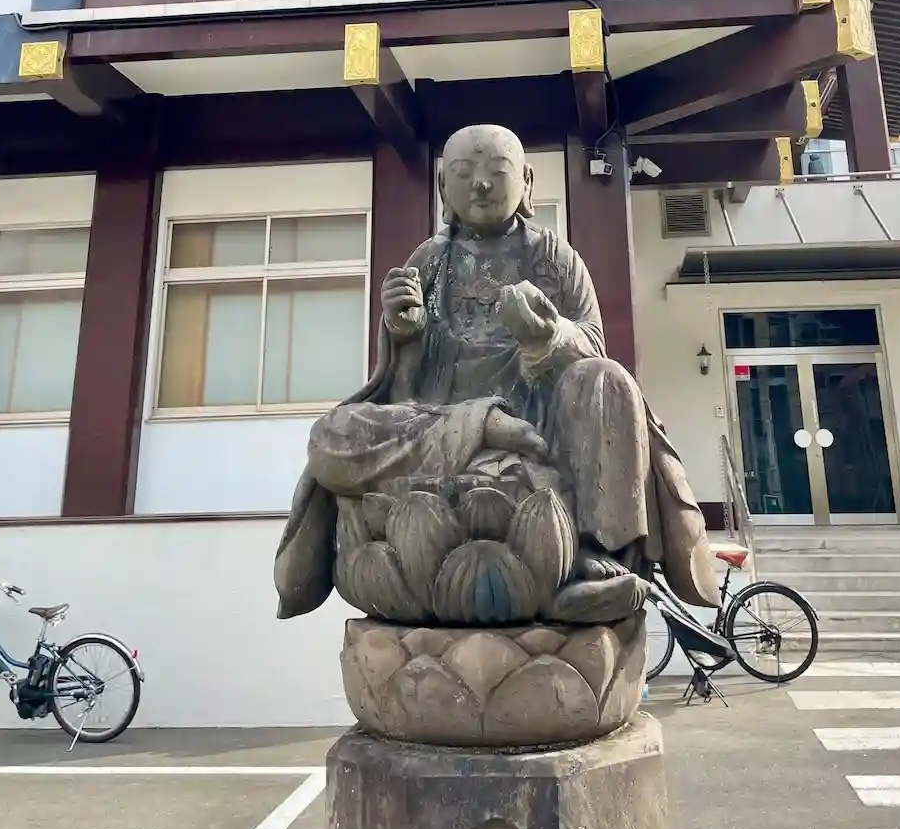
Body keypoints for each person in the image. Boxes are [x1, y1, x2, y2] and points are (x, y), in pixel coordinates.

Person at [275, 124, 718, 621]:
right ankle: (484, 428)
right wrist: (404, 332)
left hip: (538, 432)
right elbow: (402, 393)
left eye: (496, 171)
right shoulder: (429, 262)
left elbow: (593, 346)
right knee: (333, 434)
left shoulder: (555, 259)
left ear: (526, 181)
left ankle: (593, 549)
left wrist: (549, 336)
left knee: (608, 379)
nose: (481, 184)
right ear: (443, 188)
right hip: (446, 435)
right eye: (464, 173)